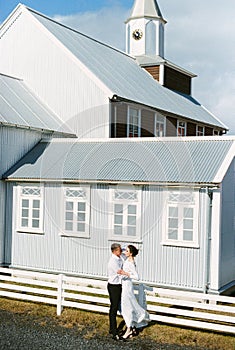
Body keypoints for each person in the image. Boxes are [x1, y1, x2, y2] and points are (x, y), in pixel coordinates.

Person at [118, 245, 150, 340]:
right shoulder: (127, 259)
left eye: (127, 251)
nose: (125, 252)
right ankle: (131, 328)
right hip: (124, 285)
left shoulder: (131, 262)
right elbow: (123, 252)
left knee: (126, 308)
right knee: (127, 307)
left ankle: (128, 329)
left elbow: (137, 277)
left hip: (127, 286)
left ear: (131, 253)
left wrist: (125, 273)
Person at [107, 243, 123, 340]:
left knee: (116, 306)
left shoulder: (118, 257)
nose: (121, 252)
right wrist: (130, 274)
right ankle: (114, 331)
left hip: (118, 285)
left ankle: (112, 328)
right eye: (119, 250)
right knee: (114, 308)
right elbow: (119, 271)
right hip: (114, 286)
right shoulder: (113, 261)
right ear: (114, 251)